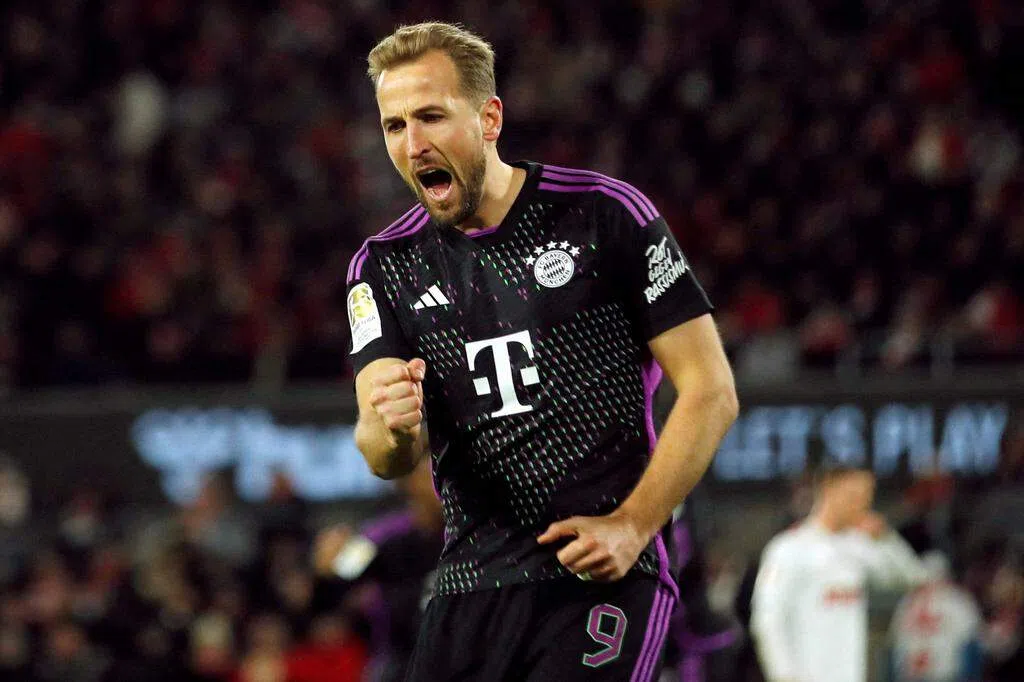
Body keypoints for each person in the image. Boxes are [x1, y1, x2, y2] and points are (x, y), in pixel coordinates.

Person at [345, 21, 739, 682]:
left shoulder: (603, 215)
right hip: (469, 585)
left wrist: (633, 525)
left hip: (597, 574)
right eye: (394, 125)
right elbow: (385, 451)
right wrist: (392, 426)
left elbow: (711, 390)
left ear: (489, 118)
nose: (413, 144)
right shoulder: (383, 266)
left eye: (432, 116)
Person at [751, 465, 929, 682]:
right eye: (853, 495)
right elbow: (768, 619)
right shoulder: (789, 548)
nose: (861, 504)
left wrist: (886, 537)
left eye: (866, 497)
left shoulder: (859, 545)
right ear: (829, 491)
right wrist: (784, 674)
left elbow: (913, 579)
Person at [312, 459, 444, 682]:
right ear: (411, 483)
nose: (439, 486)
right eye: (429, 477)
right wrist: (328, 561)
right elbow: (336, 574)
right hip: (398, 662)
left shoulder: (468, 535)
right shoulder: (383, 536)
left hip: (456, 659)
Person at [888, 551, 983, 682]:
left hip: (944, 673)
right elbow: (896, 637)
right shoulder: (908, 602)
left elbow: (973, 636)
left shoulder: (957, 600)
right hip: (915, 673)